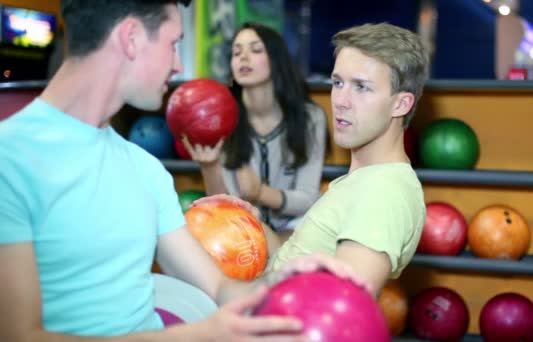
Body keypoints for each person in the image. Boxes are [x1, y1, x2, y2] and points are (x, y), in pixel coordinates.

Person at [0, 1, 367, 341]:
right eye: (173, 43)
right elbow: (19, 336)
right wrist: (195, 335)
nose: (178, 65)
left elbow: (220, 287)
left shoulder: (145, 168)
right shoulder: (11, 157)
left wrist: (284, 280)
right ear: (131, 38)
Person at [262, 22, 430, 295]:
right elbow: (299, 263)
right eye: (338, 82)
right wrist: (252, 227)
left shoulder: (382, 192)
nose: (340, 100)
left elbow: (340, 311)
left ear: (401, 104)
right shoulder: (364, 179)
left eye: (361, 87)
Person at [183, 22, 327, 241]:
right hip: (244, 229)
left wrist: (260, 193)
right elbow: (224, 208)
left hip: (295, 229)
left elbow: (308, 199)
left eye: (256, 49)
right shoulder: (222, 117)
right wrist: (209, 166)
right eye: (236, 52)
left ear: (276, 59)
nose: (243, 57)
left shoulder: (310, 117)